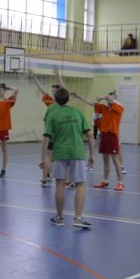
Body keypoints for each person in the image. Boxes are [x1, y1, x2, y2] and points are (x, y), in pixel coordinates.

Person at [44, 88, 95, 228]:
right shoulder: (78, 113)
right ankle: (78, 218)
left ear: (55, 101)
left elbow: (46, 138)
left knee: (60, 184)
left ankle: (59, 218)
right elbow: (90, 134)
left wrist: (43, 157)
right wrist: (92, 154)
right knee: (80, 184)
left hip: (59, 153)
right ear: (69, 99)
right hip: (77, 152)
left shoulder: (52, 115)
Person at [72, 90, 125, 191]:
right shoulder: (104, 108)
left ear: (115, 98)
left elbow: (109, 98)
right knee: (105, 159)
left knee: (115, 159)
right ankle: (105, 180)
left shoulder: (119, 107)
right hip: (104, 135)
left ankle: (120, 183)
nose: (109, 100)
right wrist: (78, 96)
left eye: (111, 97)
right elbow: (90, 102)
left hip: (112, 136)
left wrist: (103, 96)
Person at [28, 67, 65, 186]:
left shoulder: (61, 102)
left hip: (60, 133)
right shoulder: (50, 102)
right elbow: (42, 90)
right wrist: (34, 77)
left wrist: (58, 75)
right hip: (52, 132)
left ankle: (61, 177)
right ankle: (46, 177)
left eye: (55, 91)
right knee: (49, 155)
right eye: (52, 91)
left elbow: (64, 88)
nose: (53, 92)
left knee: (56, 156)